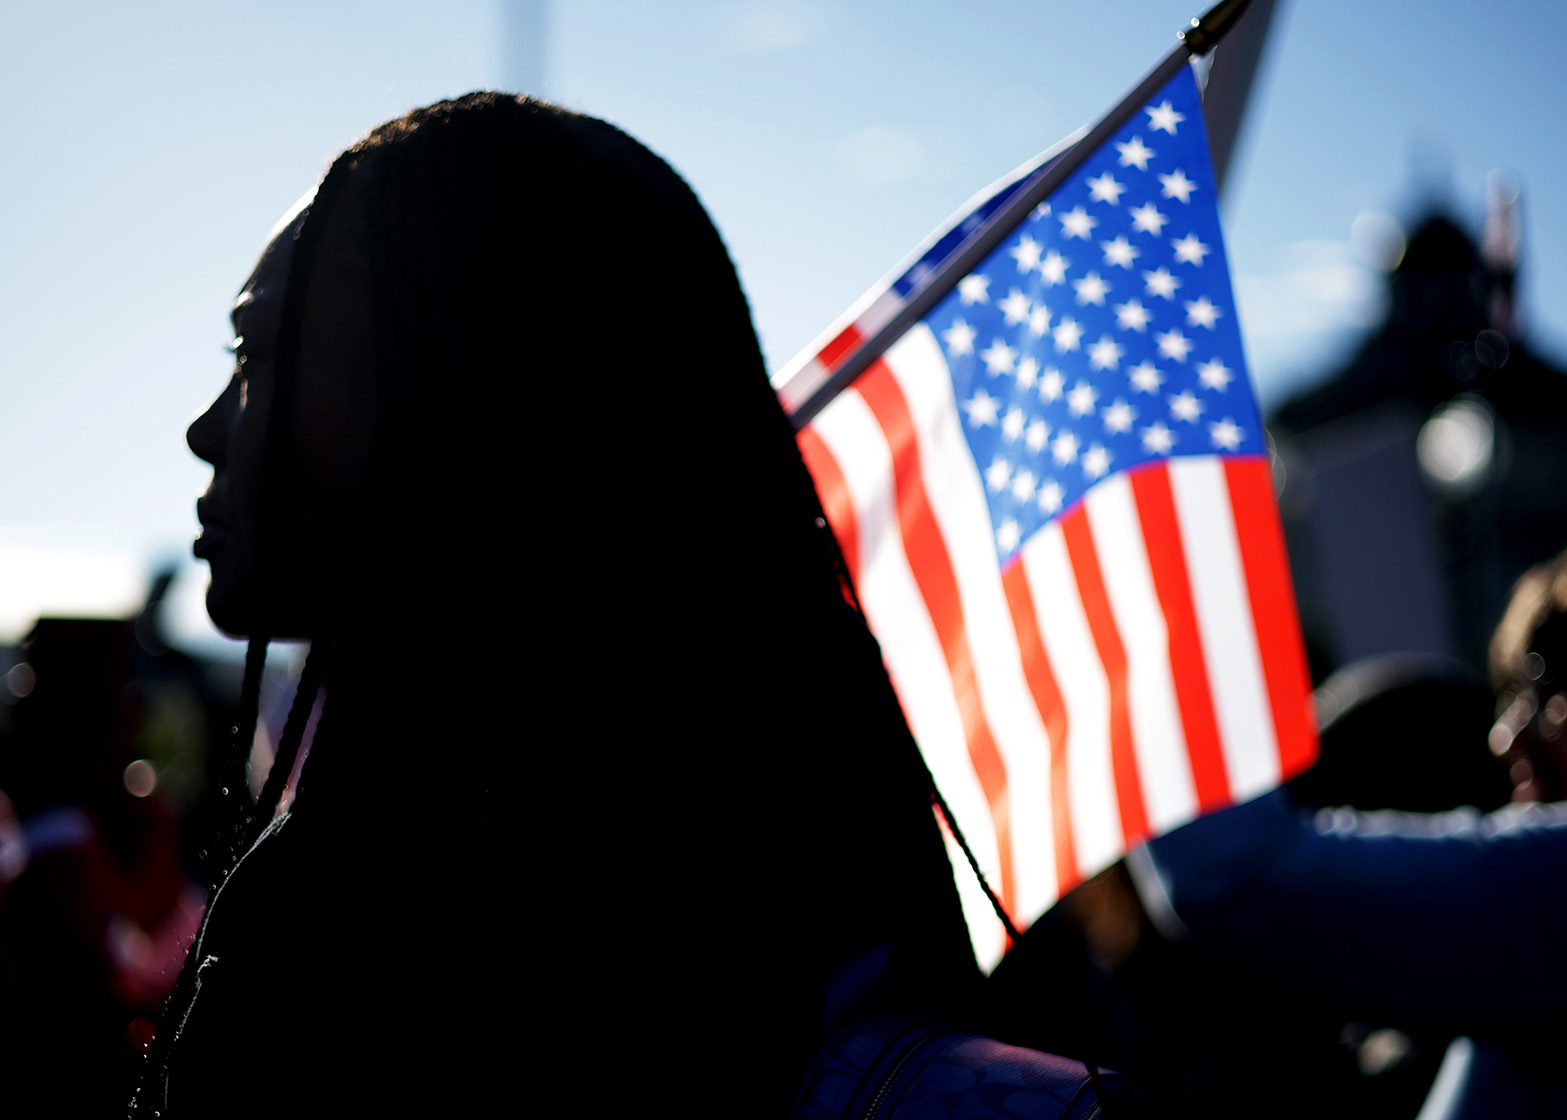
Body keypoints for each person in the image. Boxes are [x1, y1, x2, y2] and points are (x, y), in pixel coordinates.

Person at [134, 94, 980, 1116]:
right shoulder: (796, 885)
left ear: (458, 386)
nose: (205, 430)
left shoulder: (380, 932)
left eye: (256, 356)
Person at [1134, 526, 1567, 1117]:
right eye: (1509, 697)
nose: (1505, 739)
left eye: (1544, 686)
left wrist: (1149, 582)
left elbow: (1224, 865)